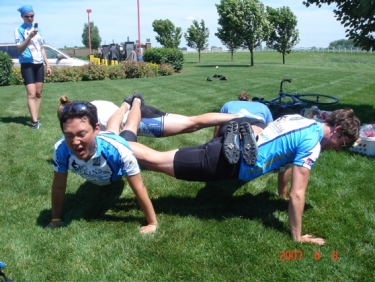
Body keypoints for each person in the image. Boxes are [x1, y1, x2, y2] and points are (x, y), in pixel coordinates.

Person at [120, 109, 360, 245]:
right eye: (343, 144)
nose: (338, 149)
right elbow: (300, 193)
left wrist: (281, 194)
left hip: (236, 140)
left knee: (155, 160)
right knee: (155, 161)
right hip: (226, 162)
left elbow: (284, 160)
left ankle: (135, 108)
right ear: (337, 131)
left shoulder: (300, 119)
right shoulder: (312, 145)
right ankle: (112, 139)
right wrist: (297, 237)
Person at [46, 93, 158, 233]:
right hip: (102, 140)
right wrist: (55, 219)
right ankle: (124, 104)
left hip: (111, 143)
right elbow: (58, 187)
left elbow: (139, 188)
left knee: (130, 126)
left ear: (96, 129)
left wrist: (152, 223)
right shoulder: (61, 149)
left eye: (81, 134)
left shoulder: (118, 150)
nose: (75, 142)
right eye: (68, 135)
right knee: (112, 127)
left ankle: (135, 103)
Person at [57, 94, 240, 137]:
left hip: (141, 119)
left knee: (192, 123)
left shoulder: (95, 119)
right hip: (145, 110)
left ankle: (236, 117)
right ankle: (234, 116)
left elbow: (120, 135)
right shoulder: (92, 105)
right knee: (190, 120)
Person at [15, 5, 51, 129]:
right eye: (27, 16)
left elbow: (42, 48)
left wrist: (48, 64)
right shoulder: (19, 30)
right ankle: (34, 121)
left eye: (32, 16)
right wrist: (29, 37)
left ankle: (36, 117)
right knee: (31, 94)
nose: (30, 18)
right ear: (22, 17)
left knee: (38, 93)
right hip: (27, 64)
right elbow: (19, 49)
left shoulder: (38, 30)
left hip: (39, 63)